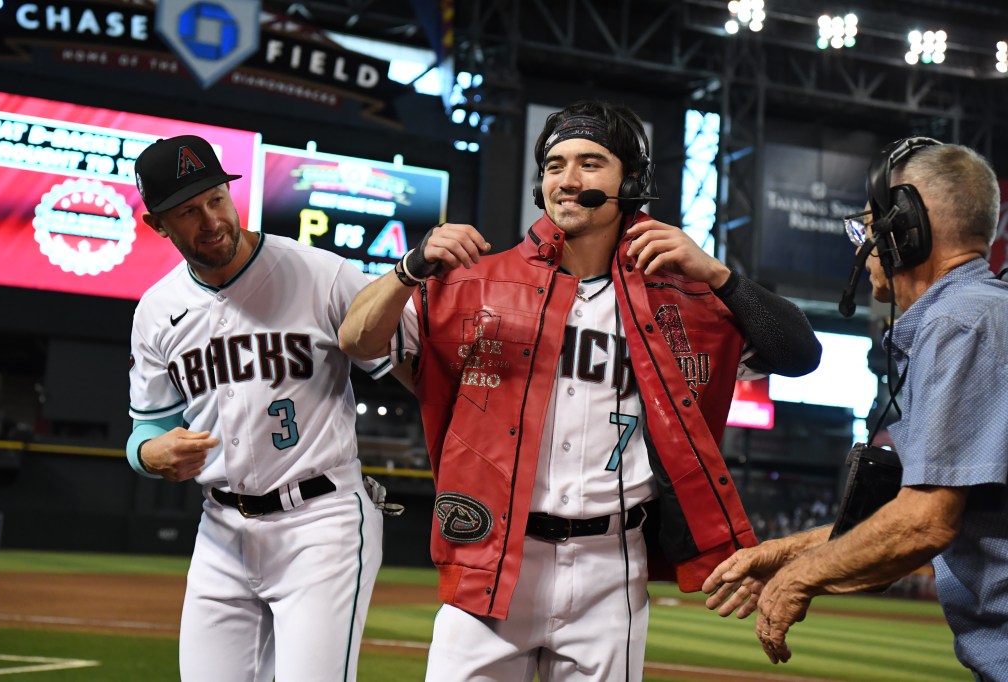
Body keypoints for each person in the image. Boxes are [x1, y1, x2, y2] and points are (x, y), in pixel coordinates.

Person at [338, 100, 821, 680]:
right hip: (491, 557)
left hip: (610, 565)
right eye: (555, 165)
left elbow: (800, 354)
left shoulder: (684, 299)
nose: (568, 180)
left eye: (591, 163)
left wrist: (719, 275)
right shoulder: (476, 282)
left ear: (632, 182)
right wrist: (409, 267)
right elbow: (357, 340)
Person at [702, 138, 1008, 681]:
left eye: (867, 227)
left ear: (906, 231)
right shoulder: (981, 315)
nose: (862, 245)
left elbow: (925, 523)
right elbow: (929, 513)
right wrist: (787, 551)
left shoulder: (959, 324)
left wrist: (801, 578)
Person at [125, 134, 401, 681]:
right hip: (221, 531)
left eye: (216, 199)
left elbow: (411, 367)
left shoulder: (322, 273)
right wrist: (149, 452)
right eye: (187, 211)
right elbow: (146, 428)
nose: (210, 219)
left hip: (320, 523)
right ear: (158, 225)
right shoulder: (156, 310)